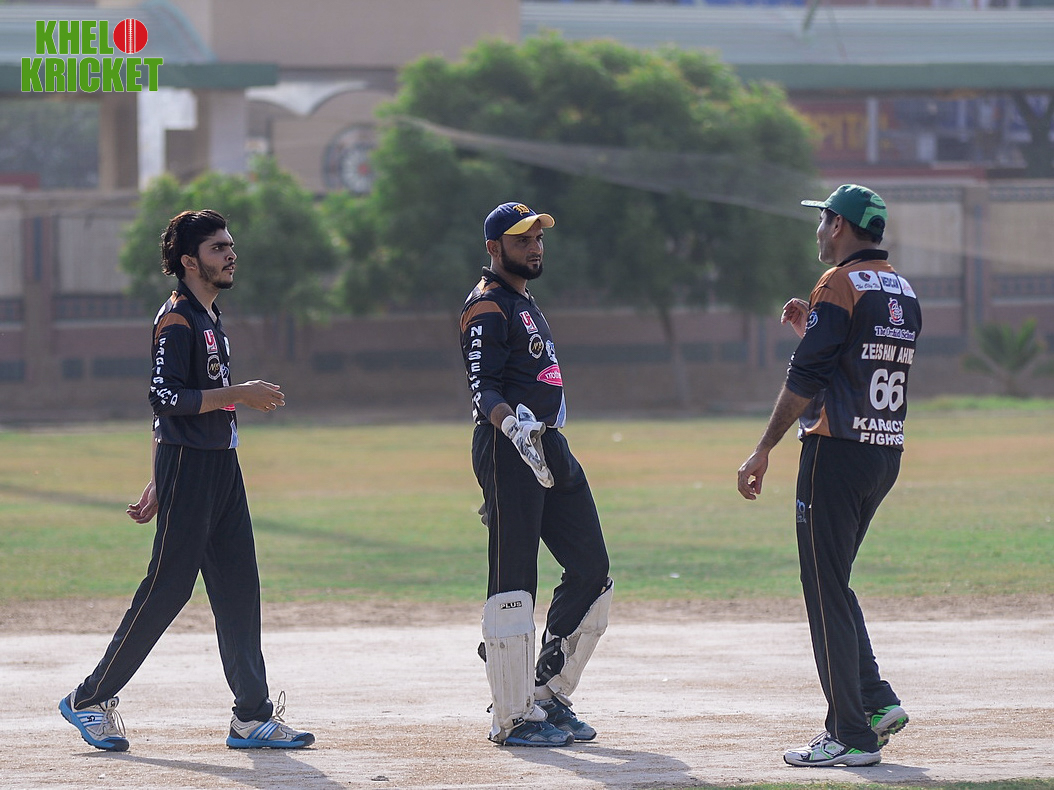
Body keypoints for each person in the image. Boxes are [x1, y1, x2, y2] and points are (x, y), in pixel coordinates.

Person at [59, 209, 314, 752]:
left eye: (230, 245)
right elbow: (165, 398)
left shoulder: (209, 316)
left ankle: (251, 716)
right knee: (168, 587)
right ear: (189, 261)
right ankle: (89, 698)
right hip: (191, 467)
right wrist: (239, 394)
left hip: (221, 466)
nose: (230, 254)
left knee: (240, 587)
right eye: (218, 247)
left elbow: (172, 408)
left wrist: (157, 478)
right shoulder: (177, 319)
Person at [736, 184, 921, 767]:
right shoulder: (901, 288)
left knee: (823, 589)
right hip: (882, 453)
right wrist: (811, 329)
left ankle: (850, 735)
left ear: (839, 225)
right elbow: (858, 364)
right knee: (833, 582)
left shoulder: (838, 284)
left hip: (834, 453)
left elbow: (807, 376)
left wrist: (763, 448)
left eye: (823, 220)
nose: (818, 230)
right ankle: (875, 700)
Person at [460, 202, 614, 747]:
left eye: (538, 238)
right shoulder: (487, 306)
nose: (534, 246)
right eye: (521, 239)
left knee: (592, 568)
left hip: (548, 443)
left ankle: (546, 692)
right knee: (513, 580)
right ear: (494, 248)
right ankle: (512, 716)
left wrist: (539, 435)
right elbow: (483, 388)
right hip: (509, 448)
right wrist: (512, 428)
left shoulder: (523, 301)